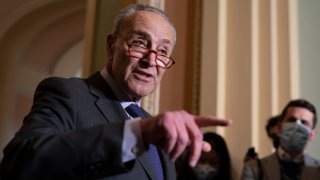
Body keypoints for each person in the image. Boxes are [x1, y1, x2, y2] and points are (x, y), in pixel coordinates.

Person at [0, 4, 231, 180]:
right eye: (140, 43)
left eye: (162, 51)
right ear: (112, 47)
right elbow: (20, 162)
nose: (151, 60)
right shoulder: (68, 94)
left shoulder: (155, 128)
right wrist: (136, 134)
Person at [241, 99, 320, 180]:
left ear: (312, 134)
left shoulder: (317, 171)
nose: (297, 125)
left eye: (304, 123)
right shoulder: (254, 168)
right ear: (279, 128)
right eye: (292, 120)